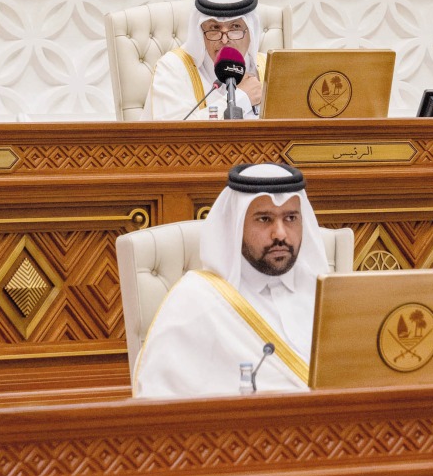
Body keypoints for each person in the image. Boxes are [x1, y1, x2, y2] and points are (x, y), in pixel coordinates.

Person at [133, 163, 329, 398]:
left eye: (290, 218)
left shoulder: (325, 295)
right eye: (264, 219)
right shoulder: (196, 302)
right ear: (235, 226)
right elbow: (158, 401)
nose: (280, 234)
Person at [142, 0, 265, 121]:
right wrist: (242, 99)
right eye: (214, 28)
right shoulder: (172, 67)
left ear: (251, 32)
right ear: (201, 32)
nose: (224, 40)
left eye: (235, 27)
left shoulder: (269, 69)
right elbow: (172, 135)